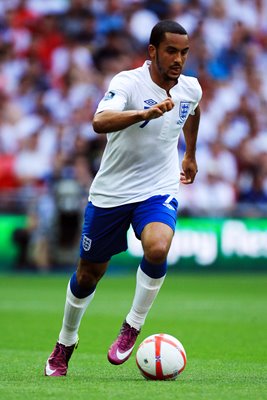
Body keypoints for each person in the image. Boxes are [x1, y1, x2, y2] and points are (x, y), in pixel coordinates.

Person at [44, 19, 202, 377]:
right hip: (111, 192)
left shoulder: (191, 88)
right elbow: (99, 121)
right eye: (171, 51)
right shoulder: (127, 83)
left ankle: (133, 324)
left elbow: (192, 111)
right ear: (153, 51)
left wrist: (190, 154)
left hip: (158, 187)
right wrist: (143, 114)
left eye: (184, 52)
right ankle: (66, 341)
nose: (179, 59)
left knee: (158, 247)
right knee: (88, 275)